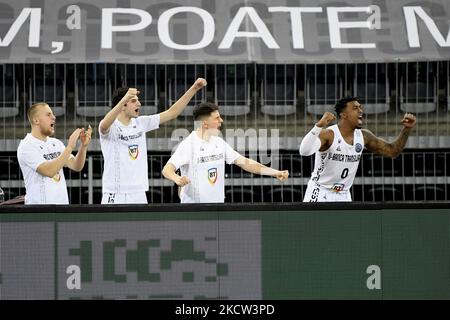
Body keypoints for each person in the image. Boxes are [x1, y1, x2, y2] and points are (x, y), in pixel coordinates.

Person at [99, 78, 207, 204]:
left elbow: (172, 113)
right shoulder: (111, 126)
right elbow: (103, 126)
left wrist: (194, 88)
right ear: (123, 105)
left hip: (138, 192)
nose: (139, 104)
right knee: (112, 225)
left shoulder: (141, 123)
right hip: (114, 192)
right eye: (134, 101)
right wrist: (125, 97)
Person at [162, 102, 289, 203]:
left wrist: (275, 172)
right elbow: (167, 170)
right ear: (205, 123)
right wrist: (177, 179)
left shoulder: (219, 142)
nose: (221, 120)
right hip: (194, 211)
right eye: (217, 118)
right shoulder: (188, 145)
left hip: (217, 210)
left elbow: (245, 163)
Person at [299, 97, 417, 202]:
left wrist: (406, 129)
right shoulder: (329, 134)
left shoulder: (364, 136)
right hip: (320, 191)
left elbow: (392, 152)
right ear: (343, 114)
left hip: (344, 194)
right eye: (355, 108)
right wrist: (319, 125)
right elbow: (304, 151)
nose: (360, 110)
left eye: (360, 107)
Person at [17, 102, 92, 204]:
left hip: (62, 209)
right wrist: (69, 147)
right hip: (39, 212)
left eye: (52, 114)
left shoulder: (56, 143)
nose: (54, 117)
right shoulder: (27, 146)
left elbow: (76, 166)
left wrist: (83, 146)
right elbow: (49, 171)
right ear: (36, 120)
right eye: (48, 115)